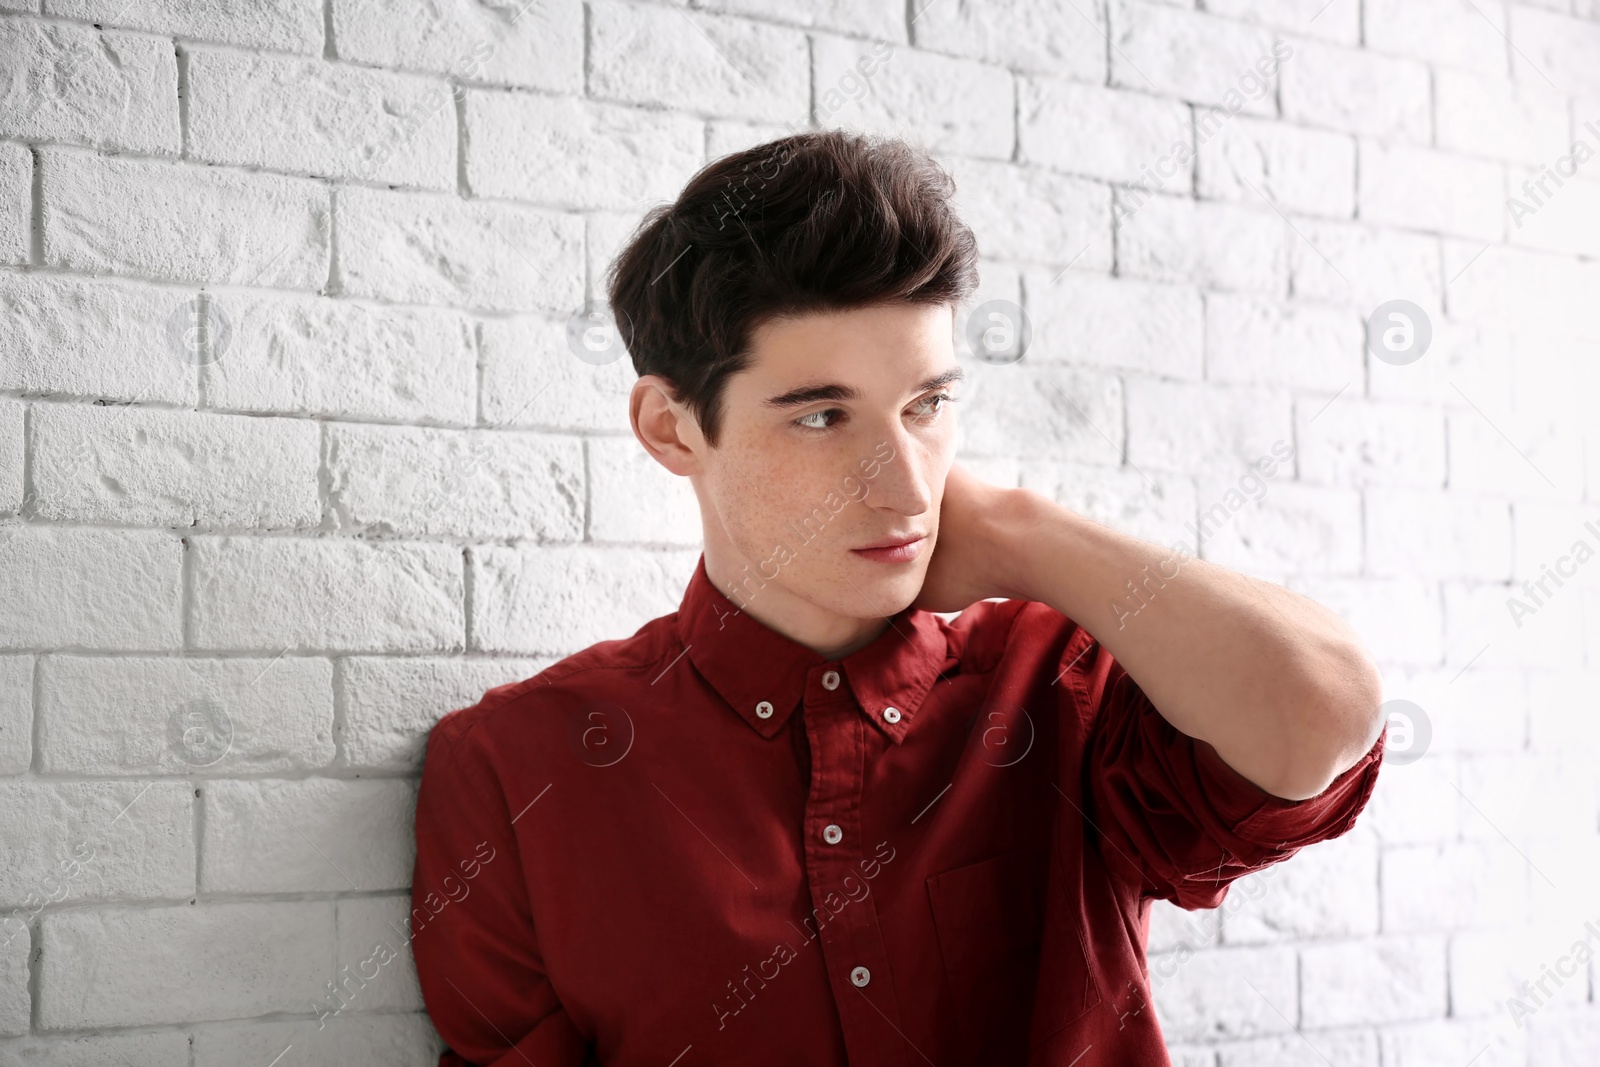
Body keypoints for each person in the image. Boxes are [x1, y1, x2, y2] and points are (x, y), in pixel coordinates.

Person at [409, 130, 1386, 1067]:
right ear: (671, 429)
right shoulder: (515, 769)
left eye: (926, 406)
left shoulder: (1058, 689)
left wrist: (1018, 532)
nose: (906, 487)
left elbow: (1321, 711)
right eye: (824, 416)